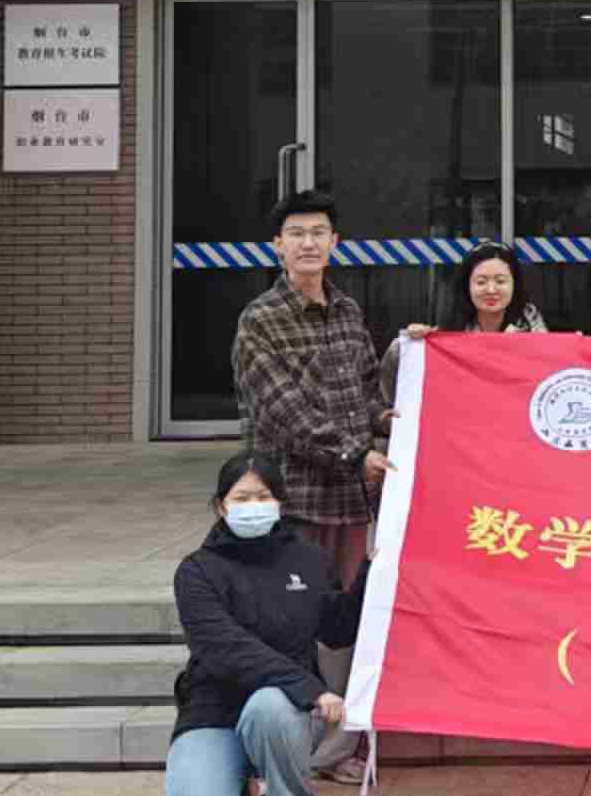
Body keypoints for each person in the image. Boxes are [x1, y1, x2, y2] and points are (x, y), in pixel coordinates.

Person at [164, 454, 368, 796]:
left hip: (285, 713)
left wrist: (370, 575)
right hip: (214, 709)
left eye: (263, 496)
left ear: (280, 502)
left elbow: (336, 630)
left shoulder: (309, 559)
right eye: (241, 498)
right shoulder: (198, 571)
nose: (253, 506)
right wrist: (311, 688)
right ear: (221, 506)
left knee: (270, 704)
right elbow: (226, 648)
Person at [230, 188, 390, 591]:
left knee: (346, 610)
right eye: (296, 233)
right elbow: (285, 414)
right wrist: (356, 456)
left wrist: (390, 418)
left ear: (334, 242)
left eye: (318, 233)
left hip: (352, 501)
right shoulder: (259, 320)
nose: (308, 243)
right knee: (296, 610)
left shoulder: (348, 311)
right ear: (278, 245)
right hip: (295, 501)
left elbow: (366, 392)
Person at [382, 238, 545, 402]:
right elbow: (392, 383)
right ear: (467, 286)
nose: (491, 290)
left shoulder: (533, 330)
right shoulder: (451, 332)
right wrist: (412, 343)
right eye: (481, 282)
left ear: (514, 284)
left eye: (500, 281)